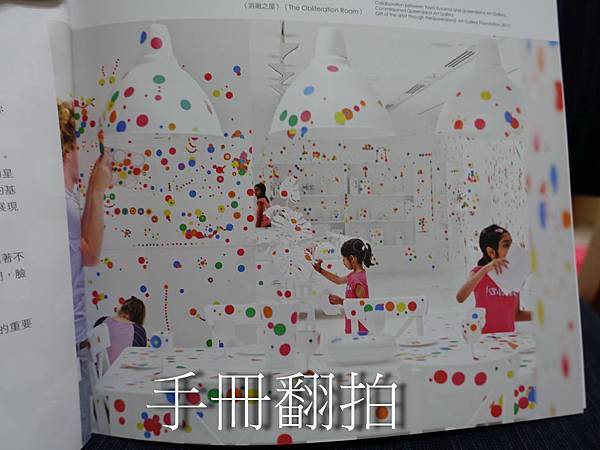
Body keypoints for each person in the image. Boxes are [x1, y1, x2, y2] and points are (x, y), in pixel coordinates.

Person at [59, 100, 112, 445]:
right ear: (68, 149)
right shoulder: (61, 203)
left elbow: (86, 252)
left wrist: (94, 186)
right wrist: (97, 189)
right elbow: (90, 253)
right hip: (68, 343)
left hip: (68, 340)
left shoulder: (61, 200)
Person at [456, 224, 532, 333]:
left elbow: (516, 315)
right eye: (506, 245)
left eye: (512, 245)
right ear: (491, 252)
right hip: (484, 338)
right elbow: (460, 297)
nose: (512, 249)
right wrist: (485, 269)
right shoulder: (478, 272)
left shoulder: (515, 277)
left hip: (508, 338)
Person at [313, 238, 373, 334]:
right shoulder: (353, 275)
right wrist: (320, 270)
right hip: (352, 323)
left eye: (344, 258)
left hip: (359, 327)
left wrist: (341, 301)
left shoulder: (358, 280)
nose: (343, 261)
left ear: (352, 258)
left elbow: (362, 305)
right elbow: (338, 280)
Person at [93, 297, 147, 365]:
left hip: (98, 369)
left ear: (122, 308)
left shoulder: (101, 321)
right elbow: (140, 356)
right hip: (124, 370)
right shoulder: (139, 331)